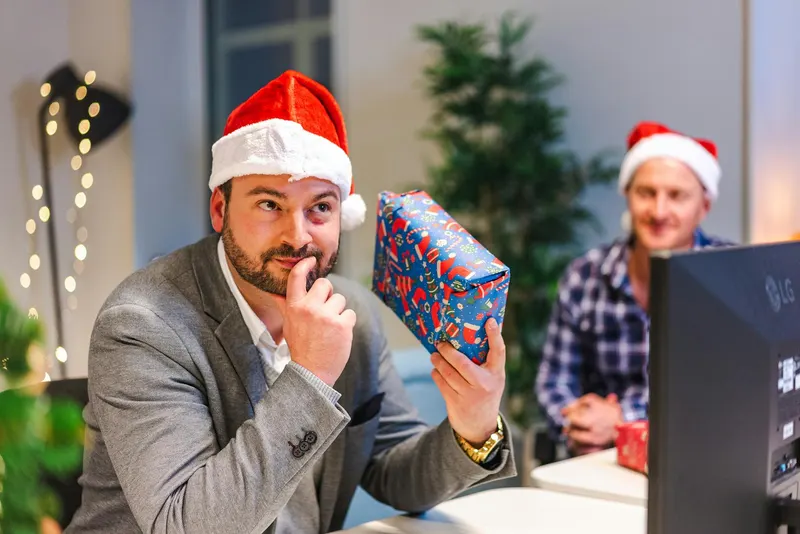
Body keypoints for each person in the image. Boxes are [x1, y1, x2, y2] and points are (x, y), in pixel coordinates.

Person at [66, 71, 515, 534]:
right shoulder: (144, 325)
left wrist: (473, 428)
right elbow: (188, 526)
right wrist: (312, 377)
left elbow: (394, 473)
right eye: (268, 205)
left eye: (320, 207)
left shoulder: (352, 316)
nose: (298, 236)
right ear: (219, 209)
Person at [534, 121, 735, 457]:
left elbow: (727, 395)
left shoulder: (732, 276)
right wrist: (579, 423)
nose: (658, 211)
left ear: (704, 206)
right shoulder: (584, 276)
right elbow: (553, 381)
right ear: (627, 195)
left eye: (676, 196)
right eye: (646, 193)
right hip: (597, 460)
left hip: (697, 457)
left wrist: (621, 420)